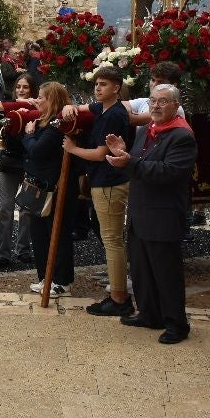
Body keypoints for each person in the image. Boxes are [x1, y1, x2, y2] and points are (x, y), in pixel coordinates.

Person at [107, 83, 196, 344]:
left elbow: (168, 172)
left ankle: (176, 324)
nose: (156, 106)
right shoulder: (147, 129)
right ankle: (149, 313)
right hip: (140, 210)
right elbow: (136, 165)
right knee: (142, 268)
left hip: (163, 213)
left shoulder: (181, 136)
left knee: (166, 273)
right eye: (153, 101)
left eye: (163, 101)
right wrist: (123, 156)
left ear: (176, 106)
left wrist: (130, 162)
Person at [62, 66, 134, 317]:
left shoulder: (114, 114)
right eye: (96, 84)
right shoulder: (103, 109)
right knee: (111, 239)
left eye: (103, 84)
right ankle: (117, 294)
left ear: (116, 88)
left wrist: (72, 149)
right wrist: (70, 107)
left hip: (109, 181)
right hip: (104, 180)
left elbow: (100, 153)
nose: (98, 88)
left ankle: (118, 298)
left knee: (112, 241)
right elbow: (86, 108)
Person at [23, 82, 79, 297]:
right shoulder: (42, 121)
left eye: (41, 97)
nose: (38, 100)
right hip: (38, 185)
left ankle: (62, 280)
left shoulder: (56, 125)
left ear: (52, 100)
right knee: (38, 233)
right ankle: (45, 276)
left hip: (56, 187)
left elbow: (36, 150)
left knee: (57, 233)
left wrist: (28, 135)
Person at [0, 72, 38, 269]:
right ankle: (2, 252)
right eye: (19, 87)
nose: (21, 90)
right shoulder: (7, 108)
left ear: (32, 90)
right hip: (9, 161)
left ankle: (23, 249)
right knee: (5, 207)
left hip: (29, 161)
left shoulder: (38, 108)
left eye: (25, 87)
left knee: (27, 209)